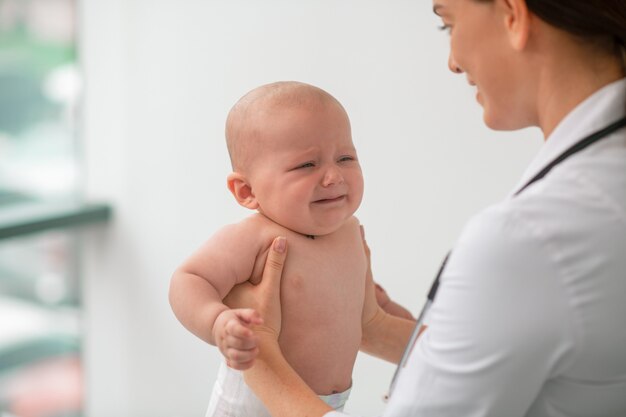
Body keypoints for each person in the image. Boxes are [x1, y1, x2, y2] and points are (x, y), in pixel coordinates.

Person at [222, 0, 626, 416]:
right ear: (245, 191)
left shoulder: (530, 239)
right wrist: (371, 327)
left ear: (512, 14)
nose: (452, 62)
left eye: (447, 25)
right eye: (306, 164)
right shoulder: (593, 193)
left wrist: (260, 359)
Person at [168, 81, 412, 417]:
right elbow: (188, 279)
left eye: (345, 158)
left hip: (323, 405)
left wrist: (415, 328)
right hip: (253, 407)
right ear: (245, 191)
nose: (333, 176)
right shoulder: (257, 237)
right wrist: (217, 321)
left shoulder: (350, 232)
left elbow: (366, 310)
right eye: (307, 165)